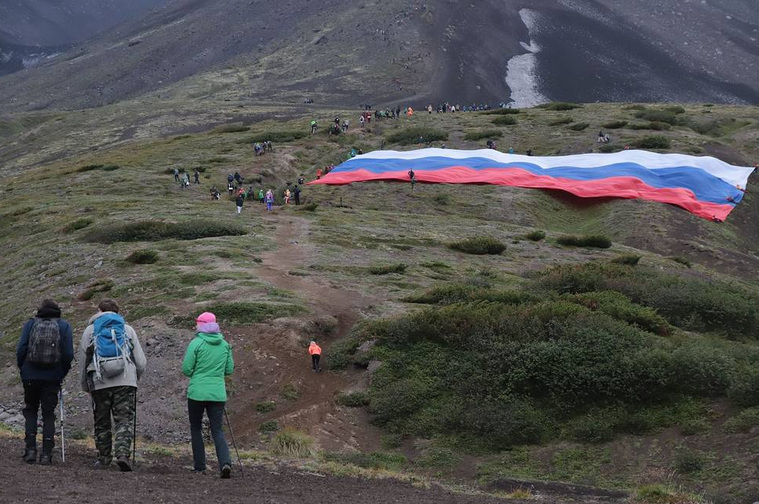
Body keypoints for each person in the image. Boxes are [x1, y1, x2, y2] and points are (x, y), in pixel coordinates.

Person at [79, 299, 146, 471]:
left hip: (99, 381)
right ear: (117, 311)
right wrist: (135, 377)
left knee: (102, 421)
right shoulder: (127, 329)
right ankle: (122, 454)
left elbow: (83, 361)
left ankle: (104, 458)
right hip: (126, 381)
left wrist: (85, 384)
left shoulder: (90, 331)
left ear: (99, 310)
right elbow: (140, 361)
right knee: (124, 419)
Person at [17, 299, 75, 465]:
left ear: (40, 310)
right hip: (52, 376)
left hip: (30, 375)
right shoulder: (64, 326)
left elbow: (21, 348)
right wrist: (61, 372)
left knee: (31, 410)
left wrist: (24, 369)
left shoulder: (30, 324)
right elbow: (68, 353)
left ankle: (30, 450)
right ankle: (46, 454)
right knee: (49, 413)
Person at [182, 312, 234, 478]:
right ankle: (225, 463)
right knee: (217, 429)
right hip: (218, 393)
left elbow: (187, 369)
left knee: (196, 428)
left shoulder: (196, 343)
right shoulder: (225, 345)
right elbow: (229, 369)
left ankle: (199, 466)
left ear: (201, 325)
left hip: (197, 392)